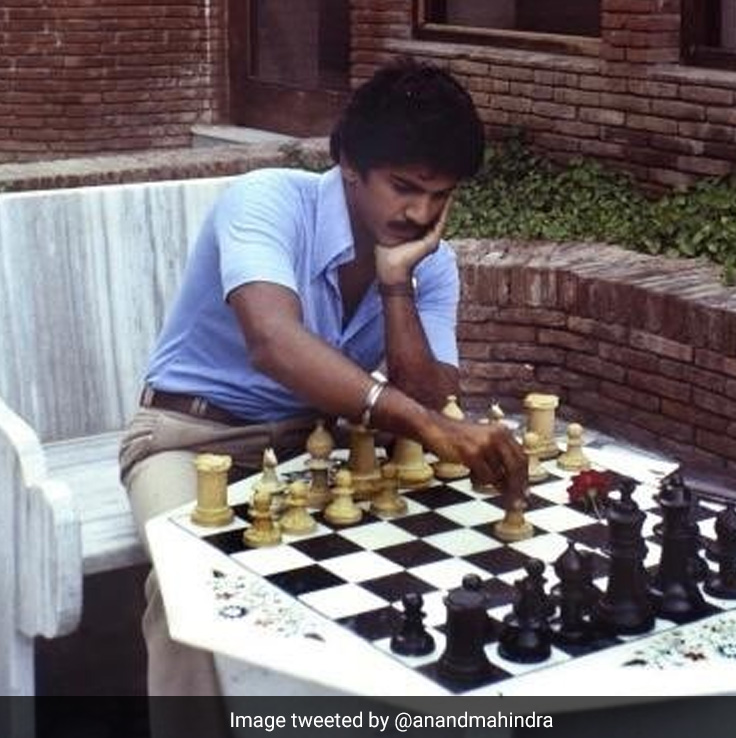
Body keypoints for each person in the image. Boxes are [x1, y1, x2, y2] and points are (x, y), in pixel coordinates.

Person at [118, 58, 528, 700]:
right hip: (191, 438)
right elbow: (273, 343)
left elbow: (433, 398)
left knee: (430, 541)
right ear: (349, 163)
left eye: (440, 195)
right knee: (189, 584)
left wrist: (397, 282)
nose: (421, 212)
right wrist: (428, 424)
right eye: (404, 187)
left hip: (321, 445)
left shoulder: (431, 263)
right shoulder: (266, 202)